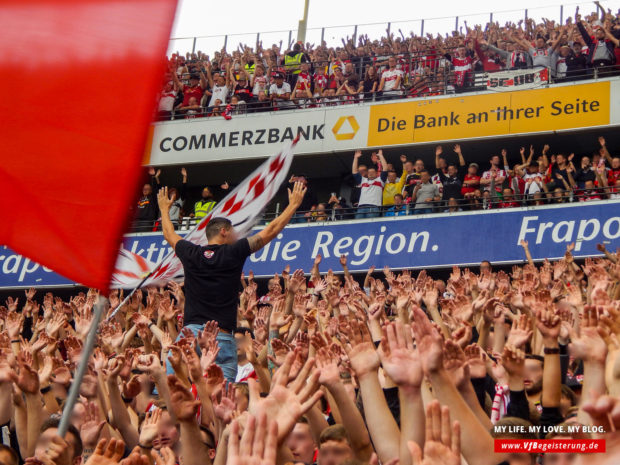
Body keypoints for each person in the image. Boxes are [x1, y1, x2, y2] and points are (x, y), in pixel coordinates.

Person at [156, 181, 307, 382]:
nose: (237, 236)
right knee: (221, 404)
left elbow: (169, 234)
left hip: (189, 334)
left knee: (176, 397)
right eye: (233, 231)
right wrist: (293, 206)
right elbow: (271, 230)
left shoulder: (190, 252)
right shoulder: (234, 251)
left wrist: (164, 210)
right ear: (224, 231)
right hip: (221, 336)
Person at [352, 149, 388, 218]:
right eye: (369, 173)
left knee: (371, 227)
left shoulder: (380, 180)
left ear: (377, 173)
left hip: (373, 207)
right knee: (358, 227)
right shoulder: (363, 180)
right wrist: (355, 158)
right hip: (361, 208)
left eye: (372, 173)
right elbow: (354, 171)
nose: (370, 174)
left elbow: (385, 168)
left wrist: (380, 156)